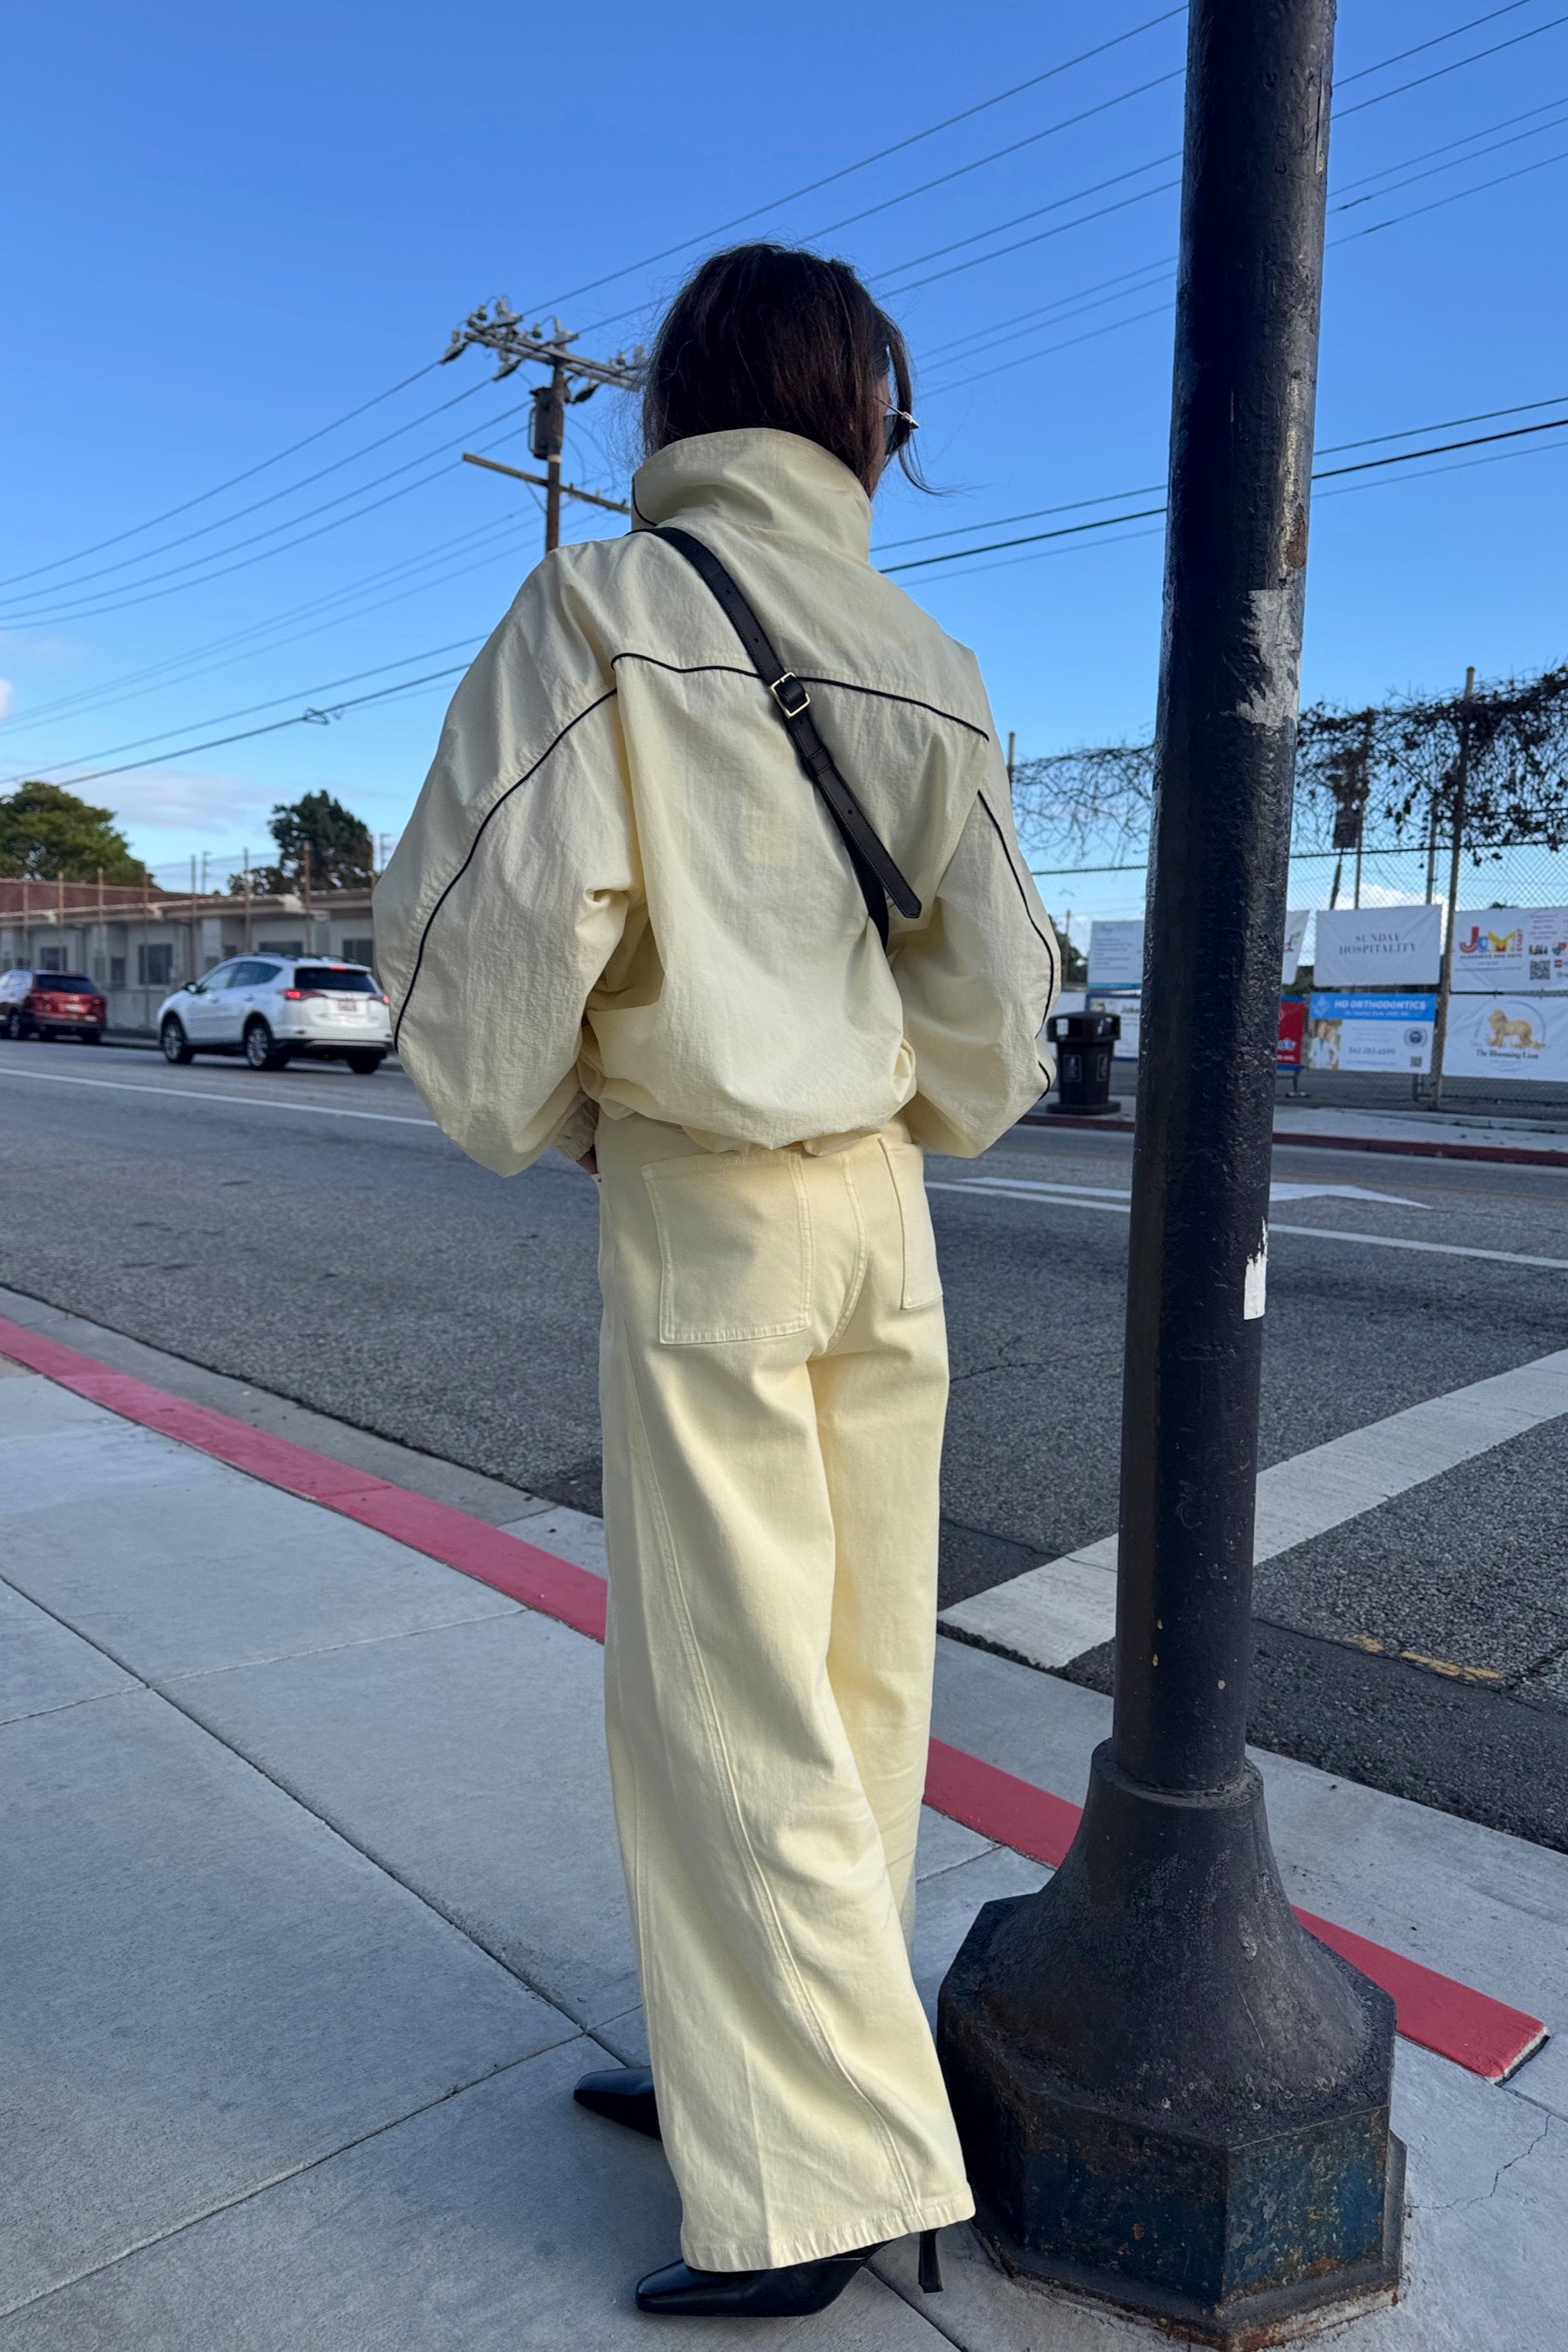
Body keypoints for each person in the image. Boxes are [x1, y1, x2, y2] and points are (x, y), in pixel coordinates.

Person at [373, 241, 1059, 2320]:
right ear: (869, 422)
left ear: (673, 403)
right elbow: (1000, 1009)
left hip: (713, 1205)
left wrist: (566, 1111)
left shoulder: (598, 609)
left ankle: (813, 2182)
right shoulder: (926, 653)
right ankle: (757, 2081)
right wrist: (909, 1099)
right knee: (857, 1681)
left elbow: (479, 945)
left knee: (721, 1695)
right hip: (882, 1214)